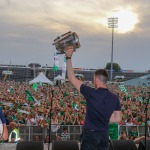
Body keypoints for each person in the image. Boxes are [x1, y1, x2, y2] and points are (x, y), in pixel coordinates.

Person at [65, 46, 122, 150]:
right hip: (104, 135)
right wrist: (103, 118)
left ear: (96, 79)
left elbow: (71, 77)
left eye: (93, 78)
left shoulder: (91, 93)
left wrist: (68, 58)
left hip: (90, 135)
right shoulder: (114, 98)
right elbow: (118, 118)